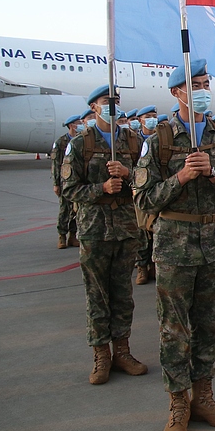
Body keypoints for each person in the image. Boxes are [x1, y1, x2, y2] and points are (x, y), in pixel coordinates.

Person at [133, 59, 215, 431]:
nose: (203, 89)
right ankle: (178, 403)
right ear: (177, 92)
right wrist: (180, 177)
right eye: (195, 83)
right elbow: (145, 198)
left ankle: (205, 396)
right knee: (174, 329)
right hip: (174, 246)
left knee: (209, 326)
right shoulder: (159, 139)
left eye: (206, 82)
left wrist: (213, 173)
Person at [61, 87, 147, 386]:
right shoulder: (80, 144)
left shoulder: (134, 141)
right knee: (97, 295)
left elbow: (150, 180)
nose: (112, 107)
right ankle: (101, 355)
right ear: (93, 107)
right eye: (106, 103)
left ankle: (122, 350)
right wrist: (101, 189)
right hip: (95, 230)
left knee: (123, 294)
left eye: (116, 102)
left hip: (126, 228)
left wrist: (128, 173)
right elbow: (70, 189)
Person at [133, 105, 159, 285]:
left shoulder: (161, 138)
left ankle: (154, 265)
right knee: (142, 230)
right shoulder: (135, 141)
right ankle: (142, 266)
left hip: (157, 189)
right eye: (148, 116)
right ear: (140, 120)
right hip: (139, 189)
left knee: (156, 229)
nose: (152, 119)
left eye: (154, 116)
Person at [53, 114, 83, 249]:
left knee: (76, 210)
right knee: (65, 209)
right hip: (64, 181)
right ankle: (62, 235)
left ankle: (72, 235)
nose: (81, 125)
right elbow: (55, 164)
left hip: (77, 181)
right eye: (78, 123)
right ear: (71, 125)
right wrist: (56, 183)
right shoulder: (61, 142)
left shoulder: (81, 140)